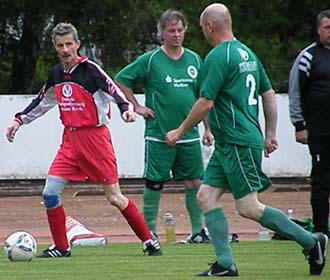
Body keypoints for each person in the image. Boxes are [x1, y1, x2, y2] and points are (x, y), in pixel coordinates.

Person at [166, 3, 328, 277]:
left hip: (238, 142)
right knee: (205, 196)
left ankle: (313, 243)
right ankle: (225, 264)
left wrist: (179, 131)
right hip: (231, 142)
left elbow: (205, 103)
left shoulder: (218, 56)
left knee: (248, 206)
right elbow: (267, 94)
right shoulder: (247, 53)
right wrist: (270, 133)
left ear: (209, 26)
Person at [6, 22, 162, 258]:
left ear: (77, 44)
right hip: (69, 140)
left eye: (69, 44)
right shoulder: (56, 74)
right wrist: (19, 120)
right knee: (49, 193)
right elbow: (43, 101)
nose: (65, 49)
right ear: (55, 47)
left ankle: (149, 241)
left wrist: (126, 109)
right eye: (60, 45)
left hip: (96, 140)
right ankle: (61, 247)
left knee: (114, 197)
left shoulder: (91, 70)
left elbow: (115, 91)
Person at [115, 9, 214, 243]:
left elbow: (203, 97)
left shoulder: (194, 59)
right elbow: (120, 79)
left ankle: (198, 232)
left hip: (189, 135)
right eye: (171, 31)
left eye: (180, 30)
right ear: (162, 34)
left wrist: (208, 129)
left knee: (195, 182)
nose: (176, 35)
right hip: (159, 134)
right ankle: (149, 232)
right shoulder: (151, 60)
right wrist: (136, 106)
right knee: (155, 182)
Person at [288, 10, 330, 237]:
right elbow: (295, 92)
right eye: (327, 28)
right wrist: (299, 124)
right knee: (321, 181)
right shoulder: (308, 57)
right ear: (318, 29)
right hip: (319, 131)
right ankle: (322, 229)